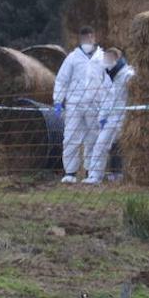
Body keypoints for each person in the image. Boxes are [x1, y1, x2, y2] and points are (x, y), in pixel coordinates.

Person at [53, 26, 101, 183]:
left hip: (94, 104)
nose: (88, 41)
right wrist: (58, 100)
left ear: (94, 38)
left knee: (92, 138)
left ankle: (90, 171)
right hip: (74, 103)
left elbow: (108, 81)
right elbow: (62, 80)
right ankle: (70, 172)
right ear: (81, 39)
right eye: (85, 38)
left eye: (90, 37)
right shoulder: (73, 58)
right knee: (71, 137)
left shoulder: (101, 57)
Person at [85, 47, 135, 185]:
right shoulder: (110, 75)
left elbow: (136, 88)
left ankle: (110, 175)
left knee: (115, 146)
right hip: (111, 118)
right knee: (101, 145)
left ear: (116, 58)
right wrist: (102, 116)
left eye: (108, 58)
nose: (105, 61)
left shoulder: (127, 74)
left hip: (123, 117)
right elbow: (107, 99)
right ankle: (95, 176)